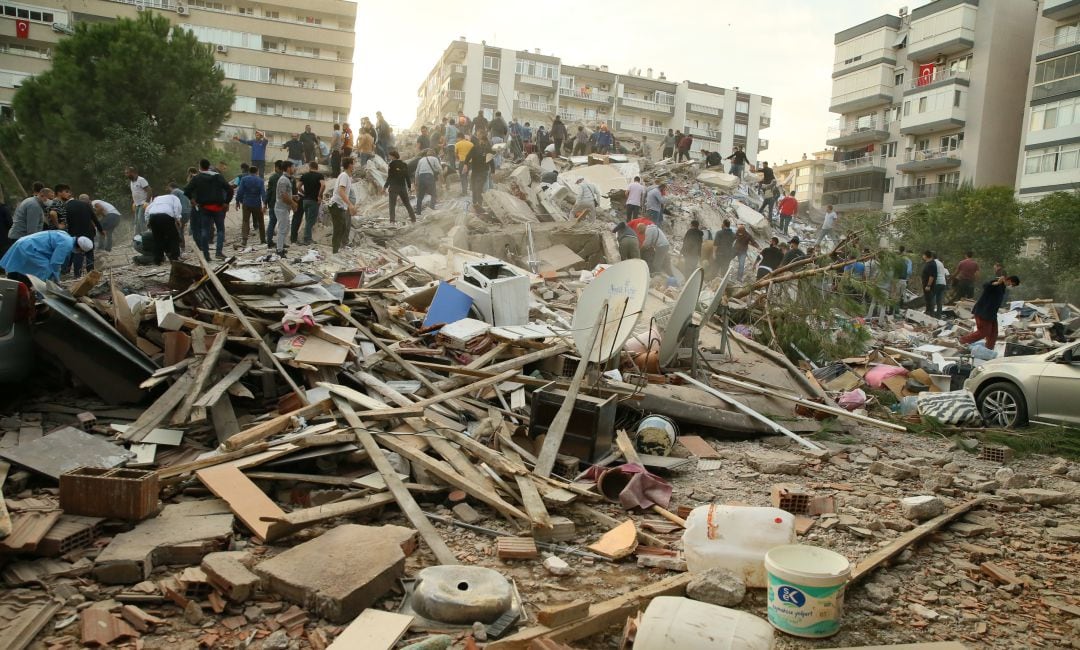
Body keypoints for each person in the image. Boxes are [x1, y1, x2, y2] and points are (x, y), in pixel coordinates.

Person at [183, 159, 231, 261]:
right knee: (220, 230)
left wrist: (192, 200)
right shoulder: (218, 176)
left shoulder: (197, 178)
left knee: (205, 230)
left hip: (204, 208)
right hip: (218, 207)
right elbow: (229, 189)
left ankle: (206, 255)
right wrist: (226, 202)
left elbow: (186, 190)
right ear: (209, 166)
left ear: (200, 167)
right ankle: (218, 252)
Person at [0, 230, 91, 282]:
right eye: (81, 251)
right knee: (45, 268)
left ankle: (16, 281)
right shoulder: (67, 244)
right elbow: (55, 263)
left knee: (22, 266)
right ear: (79, 248)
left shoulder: (66, 236)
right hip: (29, 247)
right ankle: (41, 293)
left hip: (25, 243)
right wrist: (56, 280)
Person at [959, 275, 1021, 349]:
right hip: (983, 311)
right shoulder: (996, 283)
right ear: (1009, 280)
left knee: (993, 333)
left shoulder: (1002, 287)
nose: (1011, 286)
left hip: (991, 313)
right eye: (1012, 284)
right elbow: (986, 286)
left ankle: (989, 348)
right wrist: (998, 282)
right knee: (984, 332)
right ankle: (963, 340)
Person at [58, 193, 103, 278]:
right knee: (90, 251)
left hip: (75, 234)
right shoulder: (85, 204)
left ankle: (77, 274)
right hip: (89, 232)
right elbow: (94, 218)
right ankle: (91, 271)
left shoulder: (66, 207)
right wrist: (100, 229)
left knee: (78, 253)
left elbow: (65, 222)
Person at [143, 191, 183, 265]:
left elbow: (147, 209)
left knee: (158, 239)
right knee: (173, 237)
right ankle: (175, 257)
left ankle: (158, 260)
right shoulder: (174, 197)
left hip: (153, 217)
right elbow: (177, 207)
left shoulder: (157, 199)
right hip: (165, 216)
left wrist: (148, 221)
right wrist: (178, 218)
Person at [328, 157, 356, 254]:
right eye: (353, 163)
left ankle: (338, 248)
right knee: (339, 228)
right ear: (350, 165)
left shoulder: (347, 177)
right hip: (336, 205)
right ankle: (335, 251)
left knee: (343, 227)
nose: (354, 166)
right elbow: (341, 191)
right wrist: (350, 205)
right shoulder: (344, 176)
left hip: (339, 206)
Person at [236, 166, 266, 247]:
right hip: (256, 203)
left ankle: (244, 240)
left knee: (245, 221)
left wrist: (237, 201)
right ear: (257, 172)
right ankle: (263, 239)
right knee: (261, 221)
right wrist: (265, 204)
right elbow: (263, 193)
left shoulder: (244, 179)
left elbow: (240, 191)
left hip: (246, 203)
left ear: (249, 171)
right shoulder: (260, 180)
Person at [273, 161, 298, 256]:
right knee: (282, 229)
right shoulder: (283, 180)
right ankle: (279, 250)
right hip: (281, 208)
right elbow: (283, 195)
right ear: (288, 168)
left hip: (284, 208)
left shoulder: (287, 179)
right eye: (293, 167)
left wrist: (293, 197)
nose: (294, 169)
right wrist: (293, 203)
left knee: (286, 227)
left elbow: (286, 194)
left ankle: (282, 246)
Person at [384, 150, 415, 224]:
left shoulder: (391, 164)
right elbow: (407, 176)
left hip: (394, 187)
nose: (389, 157)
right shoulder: (404, 164)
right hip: (402, 187)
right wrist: (409, 186)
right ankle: (413, 218)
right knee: (407, 203)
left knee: (392, 205)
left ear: (392, 156)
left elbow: (390, 177)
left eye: (389, 155)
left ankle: (392, 221)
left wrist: (385, 186)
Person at [466, 136, 491, 214]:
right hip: (480, 171)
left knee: (476, 188)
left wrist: (466, 164)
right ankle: (477, 204)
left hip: (478, 171)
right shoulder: (484, 149)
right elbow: (468, 157)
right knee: (477, 188)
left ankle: (477, 204)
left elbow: (468, 157)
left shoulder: (478, 148)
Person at [415, 149, 441, 216]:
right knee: (433, 194)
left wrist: (416, 182)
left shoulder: (421, 160)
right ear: (434, 154)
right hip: (429, 176)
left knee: (420, 196)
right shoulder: (434, 159)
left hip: (421, 177)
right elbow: (439, 168)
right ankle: (432, 209)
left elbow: (417, 172)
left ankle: (418, 212)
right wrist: (441, 176)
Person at [126, 167, 152, 236]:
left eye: (127, 173)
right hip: (137, 204)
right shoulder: (132, 182)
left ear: (133, 172)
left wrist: (147, 202)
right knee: (136, 222)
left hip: (143, 203)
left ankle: (146, 236)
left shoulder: (141, 180)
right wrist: (134, 202)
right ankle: (137, 237)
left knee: (141, 220)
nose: (126, 175)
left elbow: (149, 190)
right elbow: (135, 193)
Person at [265, 161, 284, 247]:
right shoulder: (285, 178)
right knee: (282, 223)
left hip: (273, 203)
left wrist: (265, 203)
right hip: (283, 203)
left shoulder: (273, 178)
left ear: (276, 168)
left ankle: (269, 241)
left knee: (272, 222)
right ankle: (281, 242)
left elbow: (269, 191)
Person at [921, 251, 940, 318]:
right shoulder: (928, 263)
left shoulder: (932, 264)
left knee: (929, 300)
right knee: (927, 300)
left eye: (923, 255)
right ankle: (928, 313)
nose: (923, 256)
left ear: (926, 256)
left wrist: (928, 285)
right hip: (925, 285)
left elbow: (931, 276)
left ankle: (930, 315)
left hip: (929, 286)